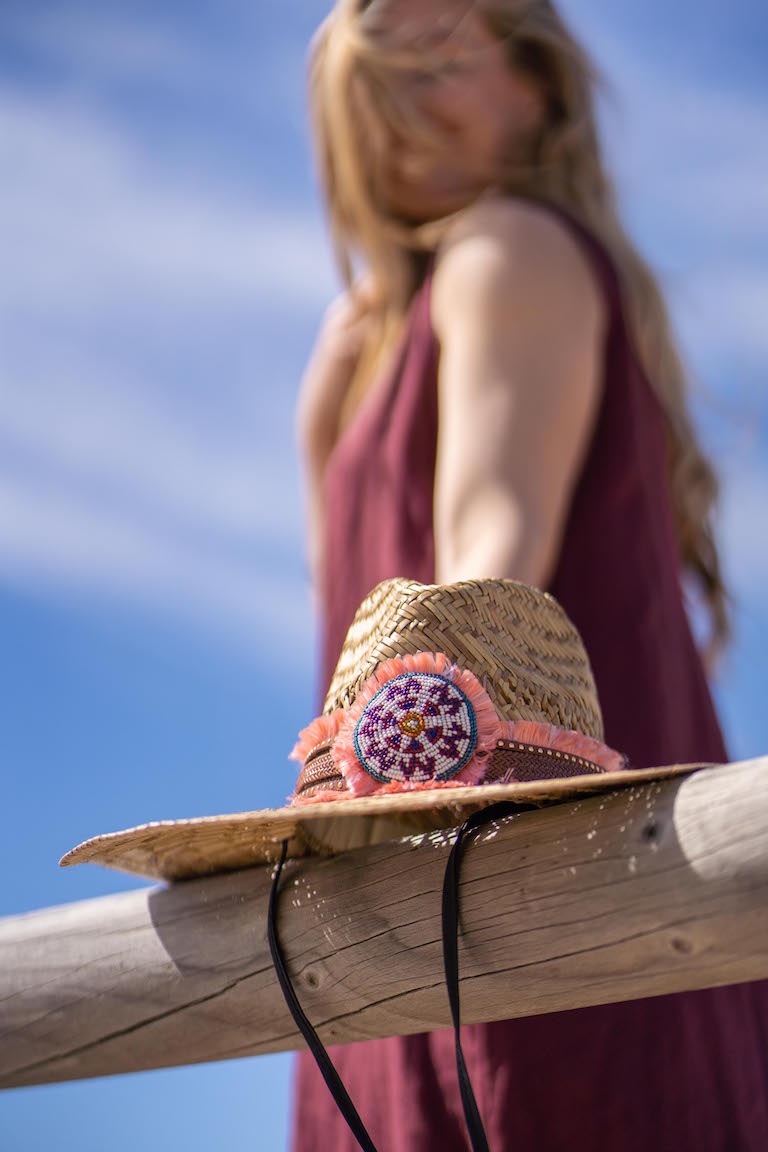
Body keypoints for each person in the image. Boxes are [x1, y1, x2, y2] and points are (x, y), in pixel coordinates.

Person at [291, 1, 768, 1149]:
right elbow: (333, 608)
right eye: (374, 79)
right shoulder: (354, 345)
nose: (403, 105)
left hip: (512, 851)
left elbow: (492, 527)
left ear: (540, 85)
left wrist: (432, 731)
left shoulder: (512, 244)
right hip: (422, 855)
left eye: (439, 61)